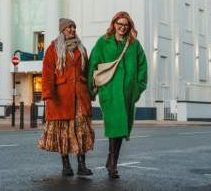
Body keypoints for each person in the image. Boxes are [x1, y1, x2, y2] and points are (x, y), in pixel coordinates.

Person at [88, 11, 147, 179]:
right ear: (113, 24)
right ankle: (112, 164)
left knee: (121, 129)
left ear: (129, 27)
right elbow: (93, 63)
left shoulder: (134, 44)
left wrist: (137, 88)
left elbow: (142, 66)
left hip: (127, 93)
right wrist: (92, 89)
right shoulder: (103, 42)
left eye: (125, 25)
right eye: (119, 24)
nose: (122, 27)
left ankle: (110, 160)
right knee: (115, 127)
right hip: (110, 92)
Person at [38, 18, 95, 177]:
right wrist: (48, 94)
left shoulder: (82, 49)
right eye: (69, 27)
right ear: (62, 30)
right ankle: (66, 166)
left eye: (74, 27)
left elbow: (87, 71)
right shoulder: (53, 49)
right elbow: (47, 73)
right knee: (63, 132)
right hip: (61, 98)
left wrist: (91, 90)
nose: (72, 30)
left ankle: (82, 166)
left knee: (81, 131)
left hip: (80, 97)